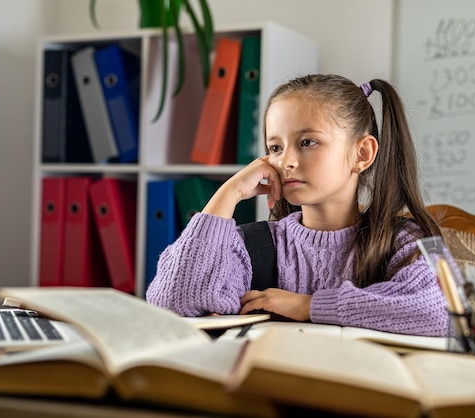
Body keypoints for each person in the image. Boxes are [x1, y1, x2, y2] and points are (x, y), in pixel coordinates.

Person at [146, 74, 449, 336]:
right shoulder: (249, 246)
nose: (285, 161)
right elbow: (169, 304)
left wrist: (309, 306)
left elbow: (441, 309)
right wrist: (228, 193)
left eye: (307, 142)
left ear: (362, 154)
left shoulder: (409, 240)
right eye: (275, 147)